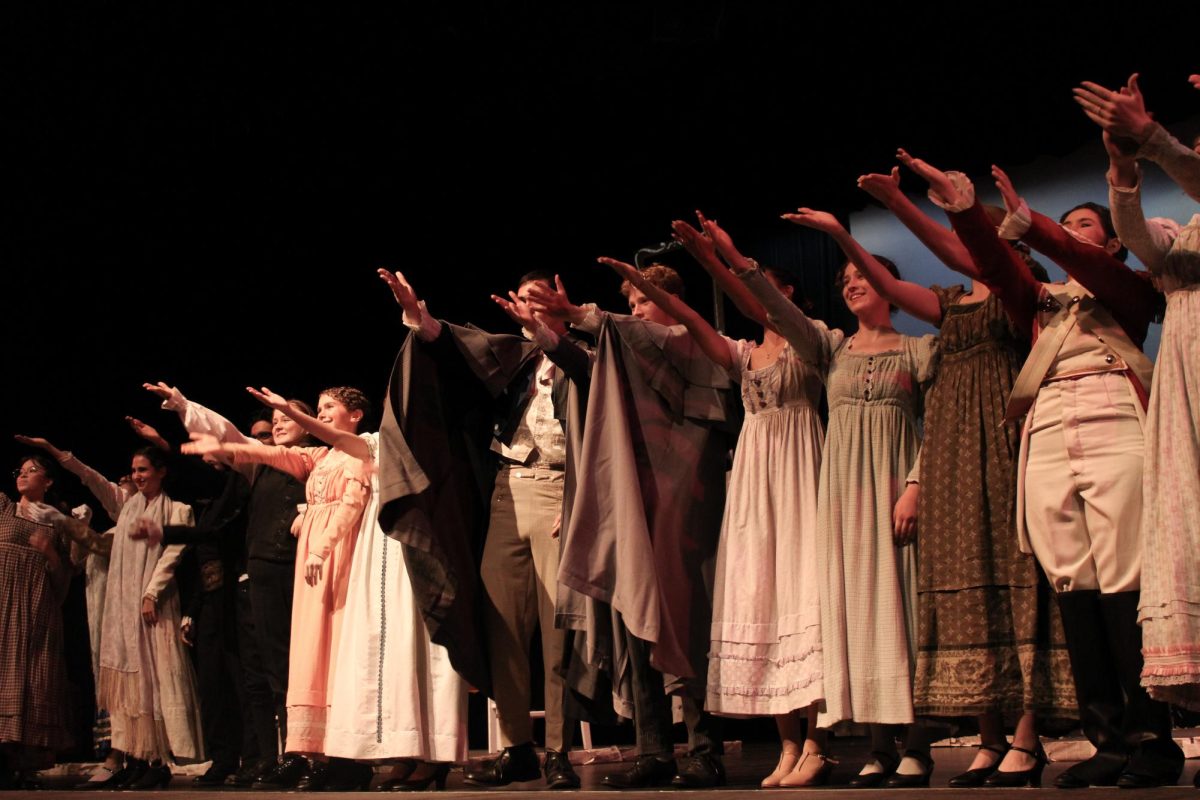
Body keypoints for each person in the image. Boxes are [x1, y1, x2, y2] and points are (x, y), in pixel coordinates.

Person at [901, 152, 1184, 788]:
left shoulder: (1128, 286)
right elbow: (994, 265)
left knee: (1123, 578)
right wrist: (967, 211)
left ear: (1109, 238)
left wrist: (1029, 223)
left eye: (1085, 225)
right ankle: (1106, 739)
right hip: (1048, 427)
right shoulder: (1038, 298)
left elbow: (1088, 266)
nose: (1075, 234)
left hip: (1114, 419)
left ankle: (1151, 740)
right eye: (1068, 227)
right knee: (1071, 582)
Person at [809, 170, 1076, 786]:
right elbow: (886, 283)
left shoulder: (1022, 293)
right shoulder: (950, 303)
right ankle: (987, 737)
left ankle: (1028, 738)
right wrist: (840, 235)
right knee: (962, 581)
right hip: (952, 453)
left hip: (1003, 445)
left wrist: (901, 203)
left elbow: (972, 255)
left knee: (1018, 580)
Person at [600, 221, 831, 788]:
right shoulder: (745, 353)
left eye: (763, 294)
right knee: (764, 598)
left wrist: (717, 257)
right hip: (757, 481)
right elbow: (698, 325)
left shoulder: (815, 337)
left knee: (808, 595)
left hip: (802, 468)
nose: (754, 303)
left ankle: (818, 743)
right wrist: (647, 288)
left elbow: (759, 299)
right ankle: (787, 745)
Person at [736, 227, 937, 788]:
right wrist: (735, 260)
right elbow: (776, 307)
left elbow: (939, 423)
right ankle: (876, 743)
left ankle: (916, 741)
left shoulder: (919, 350)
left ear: (891, 289)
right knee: (854, 616)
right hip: (842, 499)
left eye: (863, 277)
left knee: (905, 613)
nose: (851, 286)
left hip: (896, 490)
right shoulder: (831, 349)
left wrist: (917, 485)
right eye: (844, 280)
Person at [379, 268, 584, 790]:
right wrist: (419, 317)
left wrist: (585, 500)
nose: (526, 308)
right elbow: (454, 350)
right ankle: (518, 747)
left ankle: (558, 749)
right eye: (521, 299)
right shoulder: (511, 357)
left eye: (537, 299)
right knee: (503, 627)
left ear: (561, 300)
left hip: (562, 492)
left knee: (559, 630)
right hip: (507, 493)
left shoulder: (584, 351)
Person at [534, 262, 733, 789]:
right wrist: (549, 335)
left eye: (644, 300)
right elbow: (584, 364)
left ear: (672, 302)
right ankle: (654, 749)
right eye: (634, 301)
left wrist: (582, 314)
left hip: (685, 492)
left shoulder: (693, 342)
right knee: (634, 603)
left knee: (685, 610)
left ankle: (705, 747)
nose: (636, 311)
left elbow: (646, 338)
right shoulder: (625, 353)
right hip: (638, 493)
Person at [246, 378, 469, 792]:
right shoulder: (373, 442)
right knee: (382, 654)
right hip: (375, 550)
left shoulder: (435, 442)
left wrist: (294, 412)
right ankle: (400, 752)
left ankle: (432, 756)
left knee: (416, 645)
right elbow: (332, 437)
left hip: (415, 545)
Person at [1079, 76, 1200, 725]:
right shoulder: (1182, 234)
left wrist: (1153, 138)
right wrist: (1123, 166)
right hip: (1185, 390)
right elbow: (1133, 233)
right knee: (1191, 537)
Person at [183, 387, 373, 791]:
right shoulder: (319, 458)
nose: (321, 415)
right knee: (308, 657)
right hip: (312, 565)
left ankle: (344, 756)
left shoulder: (358, 451)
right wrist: (224, 445)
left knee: (333, 653)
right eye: (318, 408)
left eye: (328, 409)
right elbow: (272, 453)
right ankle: (310, 751)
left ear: (353, 415)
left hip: (335, 559)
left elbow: (352, 503)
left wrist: (320, 545)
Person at [147, 384, 312, 788]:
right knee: (270, 672)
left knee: (301, 668)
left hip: (304, 573)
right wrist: (185, 406)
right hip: (263, 573)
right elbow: (232, 437)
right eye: (275, 420)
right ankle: (283, 756)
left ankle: (309, 754)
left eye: (287, 418)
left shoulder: (317, 458)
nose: (278, 425)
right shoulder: (260, 465)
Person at [21, 436, 204, 790]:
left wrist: (152, 593)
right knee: (129, 686)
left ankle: (159, 760)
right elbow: (91, 477)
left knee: (155, 681)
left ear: (161, 473)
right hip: (122, 611)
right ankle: (135, 757)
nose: (137, 476)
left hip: (153, 606)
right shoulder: (126, 507)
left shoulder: (177, 510)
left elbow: (172, 556)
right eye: (134, 470)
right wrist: (54, 451)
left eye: (144, 470)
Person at [0, 456, 75, 788]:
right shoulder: (2, 508)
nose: (23, 475)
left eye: (33, 471)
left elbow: (62, 585)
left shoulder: (58, 523)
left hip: (37, 609)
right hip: (2, 604)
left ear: (48, 482)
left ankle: (23, 762)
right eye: (21, 470)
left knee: (34, 679)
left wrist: (50, 554)